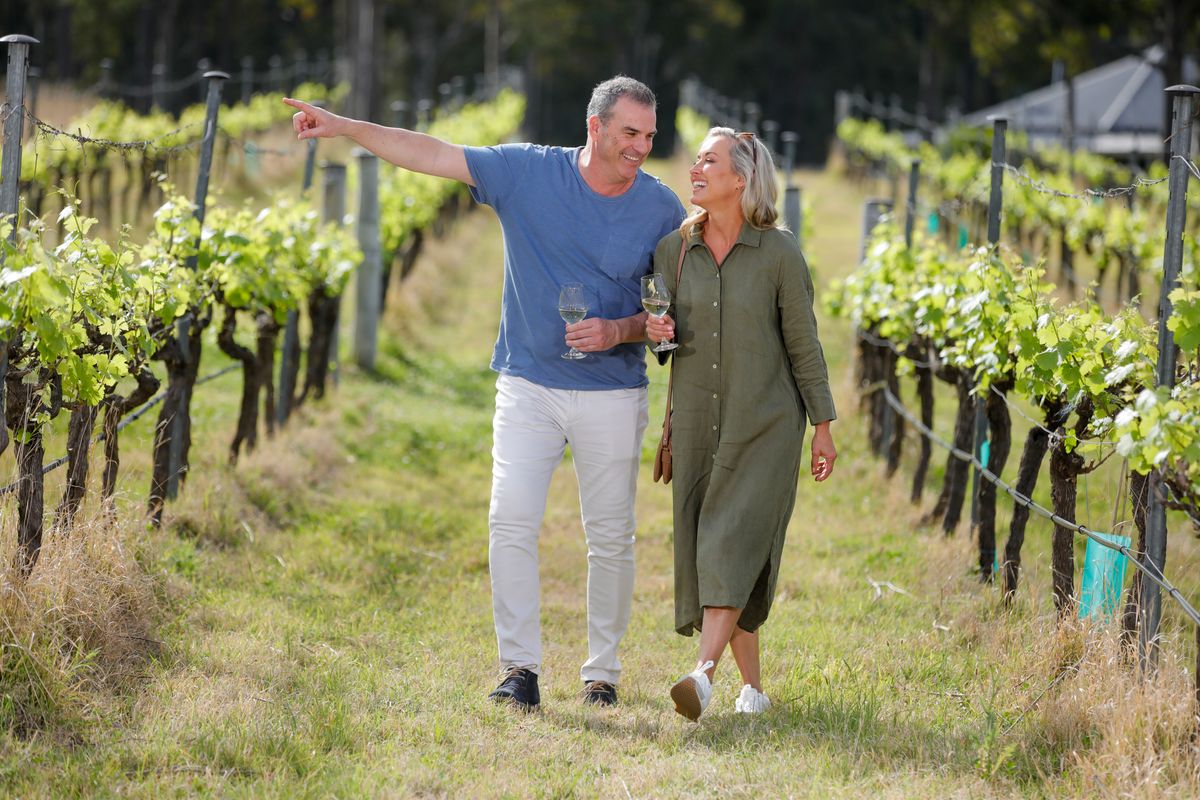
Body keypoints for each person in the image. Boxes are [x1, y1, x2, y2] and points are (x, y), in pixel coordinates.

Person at [284, 77, 684, 712]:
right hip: (527, 383)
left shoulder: (662, 211)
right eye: (629, 133)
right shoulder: (528, 174)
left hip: (612, 393)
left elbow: (665, 315)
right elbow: (433, 153)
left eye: (649, 135)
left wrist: (620, 329)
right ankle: (519, 670)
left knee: (610, 536)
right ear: (595, 127)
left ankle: (601, 675)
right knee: (510, 521)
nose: (641, 146)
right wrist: (345, 127)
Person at [645, 128, 837, 721]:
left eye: (709, 161)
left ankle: (701, 676)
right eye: (696, 160)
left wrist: (823, 425)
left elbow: (804, 345)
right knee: (716, 551)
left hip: (768, 425)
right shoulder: (671, 251)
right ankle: (752, 689)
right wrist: (657, 335)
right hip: (699, 420)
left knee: (730, 541)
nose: (696, 169)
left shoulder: (780, 253)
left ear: (741, 180)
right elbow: (661, 330)